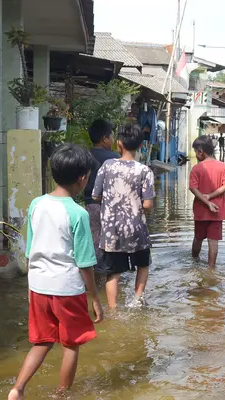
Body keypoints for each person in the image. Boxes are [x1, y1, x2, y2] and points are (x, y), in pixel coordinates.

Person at [8, 144, 103, 400]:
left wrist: (30, 289)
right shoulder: (78, 213)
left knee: (42, 342)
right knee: (71, 346)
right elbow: (85, 263)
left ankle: (17, 389)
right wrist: (95, 298)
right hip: (67, 289)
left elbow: (30, 250)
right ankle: (61, 396)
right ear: (83, 178)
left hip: (39, 285)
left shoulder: (37, 204)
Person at [92, 123, 155, 309]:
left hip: (111, 230)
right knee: (143, 264)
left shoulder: (107, 166)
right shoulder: (144, 171)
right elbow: (148, 204)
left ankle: (113, 310)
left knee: (113, 272)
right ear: (140, 145)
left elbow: (95, 195)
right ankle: (137, 300)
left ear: (119, 144)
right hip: (136, 228)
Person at [189, 136, 225, 268]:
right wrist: (211, 196)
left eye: (196, 152)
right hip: (217, 211)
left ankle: (194, 262)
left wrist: (206, 200)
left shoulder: (197, 169)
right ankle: (211, 269)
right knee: (213, 242)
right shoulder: (223, 167)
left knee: (198, 238)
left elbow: (193, 188)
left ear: (201, 151)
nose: (196, 155)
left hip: (201, 211)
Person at [83, 119, 120, 270]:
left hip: (89, 205)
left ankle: (94, 274)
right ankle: (109, 274)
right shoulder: (114, 158)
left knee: (93, 240)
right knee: (110, 241)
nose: (113, 140)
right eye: (112, 137)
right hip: (109, 206)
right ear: (105, 138)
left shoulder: (84, 155)